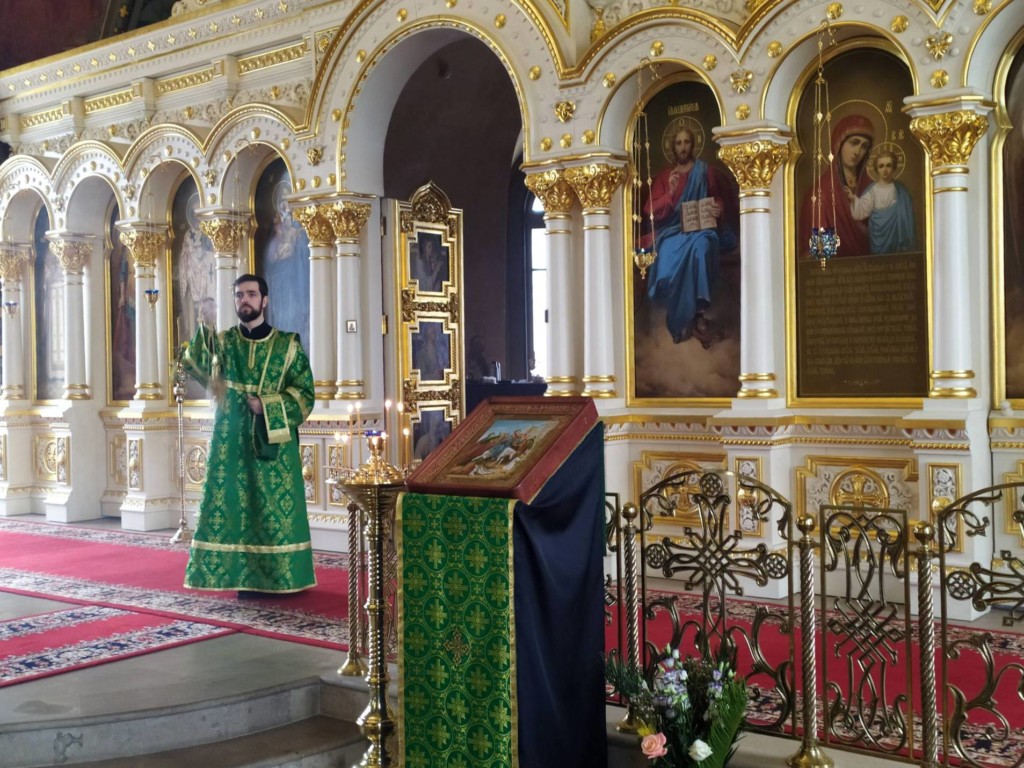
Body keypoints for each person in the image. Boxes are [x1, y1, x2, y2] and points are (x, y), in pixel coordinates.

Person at [181, 273, 316, 596]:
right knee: (235, 509)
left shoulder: (287, 345)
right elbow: (195, 364)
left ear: (264, 300)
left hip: (273, 446)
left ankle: (283, 579)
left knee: (273, 511)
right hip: (231, 444)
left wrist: (267, 405)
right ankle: (240, 578)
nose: (245, 300)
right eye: (239, 295)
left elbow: (304, 395)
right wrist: (204, 325)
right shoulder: (224, 343)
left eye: (252, 294)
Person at [643, 125, 737, 345]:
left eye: (686, 142)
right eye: (679, 143)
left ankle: (700, 313)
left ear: (693, 145)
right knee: (666, 258)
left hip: (702, 230)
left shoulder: (705, 172)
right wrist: (670, 192)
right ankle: (681, 318)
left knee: (702, 247)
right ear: (673, 147)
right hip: (673, 231)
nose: (683, 147)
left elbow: (718, 199)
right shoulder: (666, 177)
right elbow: (651, 210)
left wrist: (717, 208)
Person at [799, 113, 875, 259]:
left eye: (864, 146)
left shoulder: (872, 187)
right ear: (838, 144)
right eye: (854, 143)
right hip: (837, 270)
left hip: (873, 268)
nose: (857, 151)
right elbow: (821, 253)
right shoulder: (822, 193)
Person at [848, 147, 916, 255]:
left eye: (888, 165)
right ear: (877, 169)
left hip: (897, 239)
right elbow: (859, 212)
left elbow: (907, 217)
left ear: (893, 168)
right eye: (881, 166)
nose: (885, 170)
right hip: (877, 238)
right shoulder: (872, 190)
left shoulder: (901, 191)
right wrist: (853, 199)